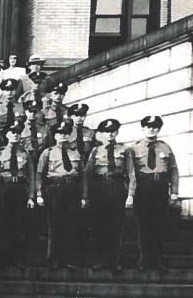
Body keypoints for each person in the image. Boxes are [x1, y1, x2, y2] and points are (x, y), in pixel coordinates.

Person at [82, 118, 135, 271]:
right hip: (99, 189)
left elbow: (131, 173)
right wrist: (86, 195)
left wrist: (130, 194)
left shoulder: (125, 150)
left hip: (117, 187)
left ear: (117, 132)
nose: (110, 134)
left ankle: (115, 261)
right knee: (99, 225)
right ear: (102, 133)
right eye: (107, 131)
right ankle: (99, 260)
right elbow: (87, 174)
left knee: (116, 225)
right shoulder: (95, 151)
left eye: (113, 131)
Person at [131, 115, 179, 272]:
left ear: (159, 129)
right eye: (148, 126)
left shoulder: (165, 147)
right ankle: (144, 260)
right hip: (143, 187)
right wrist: (130, 193)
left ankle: (157, 260)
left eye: (155, 127)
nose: (151, 129)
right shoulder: (134, 148)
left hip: (160, 187)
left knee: (159, 225)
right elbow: (130, 172)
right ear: (143, 128)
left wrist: (174, 192)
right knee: (143, 225)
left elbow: (173, 170)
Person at [0, 121, 36, 268]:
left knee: (19, 224)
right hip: (3, 189)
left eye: (18, 132)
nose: (15, 134)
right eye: (12, 131)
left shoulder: (25, 153)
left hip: (20, 189)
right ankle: (3, 257)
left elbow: (31, 176)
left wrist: (31, 196)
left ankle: (18, 258)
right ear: (7, 135)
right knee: (3, 223)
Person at [36, 119, 84, 268]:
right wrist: (39, 192)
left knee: (71, 224)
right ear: (55, 135)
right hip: (54, 189)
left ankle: (69, 259)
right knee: (55, 225)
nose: (63, 136)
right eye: (60, 133)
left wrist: (84, 195)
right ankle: (53, 259)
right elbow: (39, 174)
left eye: (66, 133)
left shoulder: (76, 152)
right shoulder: (48, 152)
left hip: (72, 189)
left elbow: (82, 175)